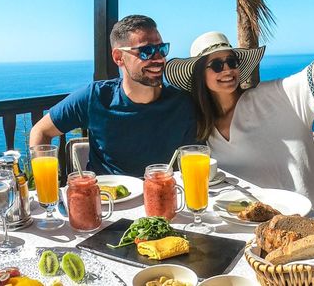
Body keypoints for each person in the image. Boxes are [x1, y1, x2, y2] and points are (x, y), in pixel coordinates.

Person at [164, 0, 314, 214]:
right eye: (216, 65)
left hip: (302, 226)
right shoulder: (205, 128)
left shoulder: (272, 97)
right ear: (200, 76)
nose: (227, 70)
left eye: (232, 62)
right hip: (246, 226)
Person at [30, 15, 198, 177]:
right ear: (119, 57)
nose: (159, 58)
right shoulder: (95, 97)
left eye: (162, 49)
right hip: (105, 200)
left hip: (162, 195)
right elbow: (41, 130)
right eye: (146, 51)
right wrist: (47, 182)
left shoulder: (181, 103)